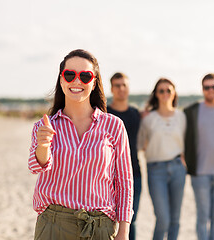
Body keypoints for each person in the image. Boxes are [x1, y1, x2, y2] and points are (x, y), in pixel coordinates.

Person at [28, 49, 133, 240]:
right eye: (70, 75)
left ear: (94, 82)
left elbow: (125, 182)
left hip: (100, 227)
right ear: (61, 80)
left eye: (85, 76)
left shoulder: (114, 125)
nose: (77, 81)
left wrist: (124, 231)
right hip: (53, 225)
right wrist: (43, 146)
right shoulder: (44, 126)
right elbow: (36, 167)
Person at [184, 73, 214, 240]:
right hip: (200, 174)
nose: (211, 90)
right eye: (207, 87)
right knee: (202, 216)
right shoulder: (192, 111)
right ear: (202, 89)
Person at [138, 78, 186, 240]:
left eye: (168, 90)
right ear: (156, 94)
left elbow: (186, 142)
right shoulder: (148, 118)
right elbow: (140, 143)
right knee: (163, 219)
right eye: (161, 91)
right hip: (156, 170)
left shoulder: (182, 117)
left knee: (175, 219)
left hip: (178, 168)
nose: (165, 93)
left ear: (174, 94)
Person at [107, 72, 141, 240]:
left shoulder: (136, 114)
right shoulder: (104, 113)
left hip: (134, 174)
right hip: (106, 176)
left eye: (124, 85)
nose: (121, 89)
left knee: (130, 220)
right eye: (117, 85)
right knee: (106, 219)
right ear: (112, 89)